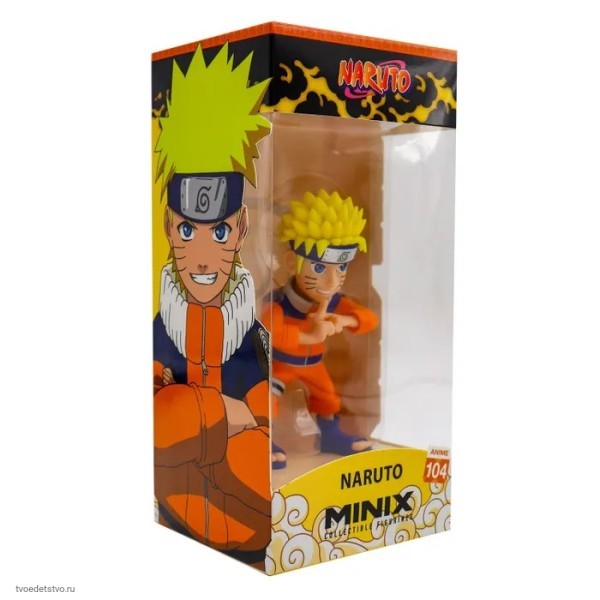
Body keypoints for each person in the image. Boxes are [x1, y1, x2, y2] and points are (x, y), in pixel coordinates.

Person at [152, 43, 272, 568]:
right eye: (187, 231)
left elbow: (267, 407)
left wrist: (248, 420)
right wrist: (221, 411)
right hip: (174, 512)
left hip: (242, 526)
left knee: (253, 458)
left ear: (240, 228)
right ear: (168, 226)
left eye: (218, 232)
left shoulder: (251, 334)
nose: (202, 258)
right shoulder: (161, 328)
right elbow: (157, 418)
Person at [262, 190, 379, 469]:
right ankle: (262, 439)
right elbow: (269, 330)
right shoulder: (279, 301)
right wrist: (309, 336)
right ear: (291, 262)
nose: (331, 281)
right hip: (280, 365)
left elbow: (369, 319)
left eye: (341, 268)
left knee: (328, 398)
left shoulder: (334, 301)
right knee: (266, 399)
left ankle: (331, 436)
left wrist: (343, 321)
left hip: (314, 365)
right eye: (318, 267)